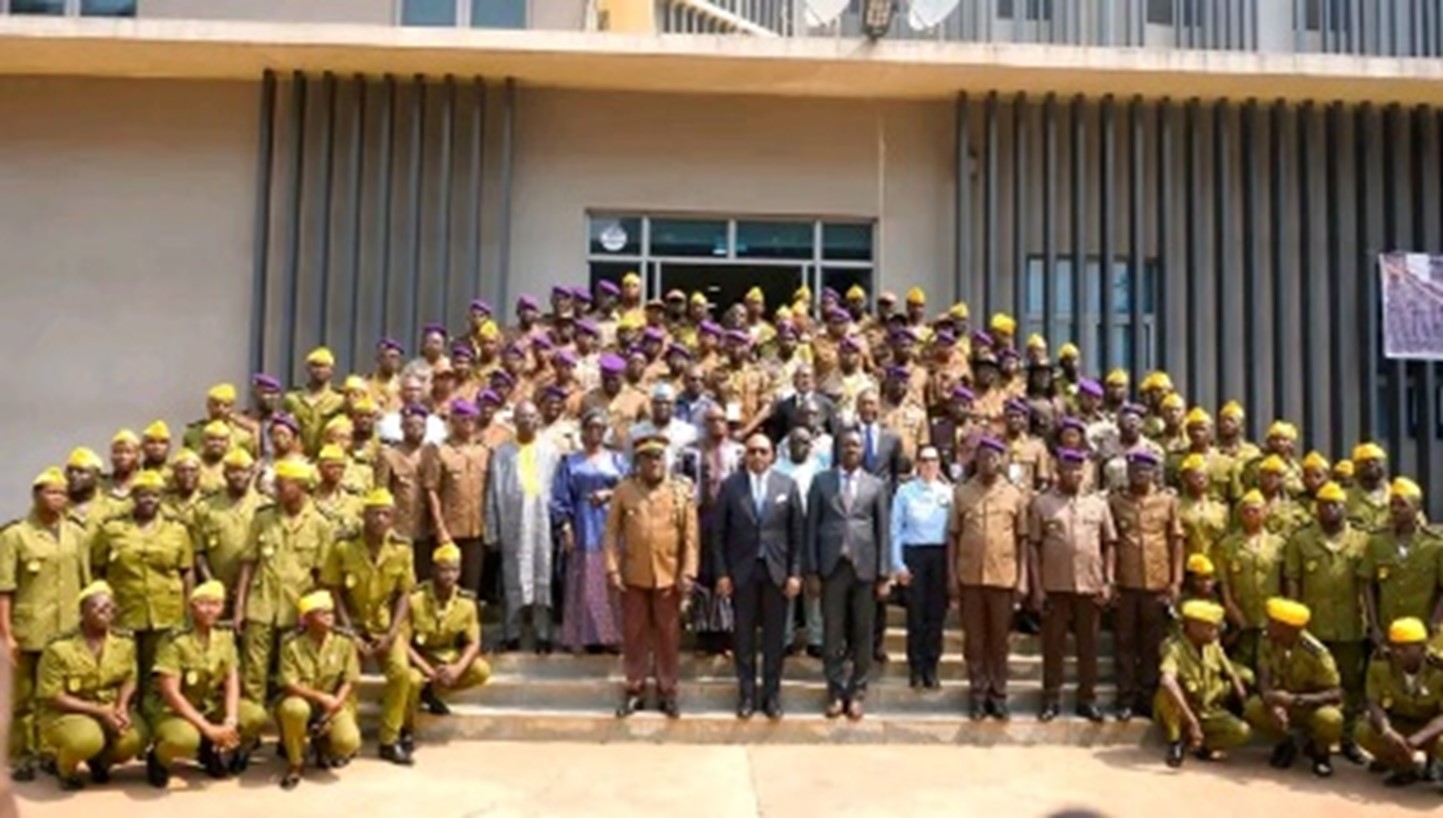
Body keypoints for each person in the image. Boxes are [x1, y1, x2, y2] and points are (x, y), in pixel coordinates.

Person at [0, 467, 90, 781]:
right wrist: (7, 634)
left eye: (62, 493)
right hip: (30, 629)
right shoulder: (15, 535)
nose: (58, 498)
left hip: (66, 630)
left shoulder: (77, 533)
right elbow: (5, 589)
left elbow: (86, 583)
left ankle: (50, 751)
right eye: (51, 492)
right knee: (23, 698)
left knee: (57, 696)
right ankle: (21, 755)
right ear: (36, 495)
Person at [605, 435, 699, 719]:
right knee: (634, 635)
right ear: (638, 462)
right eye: (648, 458)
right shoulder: (624, 491)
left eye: (658, 457)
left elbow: (691, 539)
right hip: (634, 574)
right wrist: (611, 568)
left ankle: (667, 691)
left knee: (668, 636)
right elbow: (610, 535)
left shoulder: (680, 492)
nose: (654, 463)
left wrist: (688, 572)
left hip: (668, 576)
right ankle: (634, 689)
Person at [321, 489, 416, 765]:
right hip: (351, 624)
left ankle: (389, 738)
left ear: (393, 518)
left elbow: (404, 595)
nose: (379, 519)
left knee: (401, 672)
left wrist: (392, 634)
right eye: (374, 513)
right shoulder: (343, 547)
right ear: (364, 516)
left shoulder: (402, 549)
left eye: (386, 514)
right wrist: (348, 630)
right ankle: (345, 740)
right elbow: (334, 589)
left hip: (386, 626)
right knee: (347, 676)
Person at [713, 433, 804, 721]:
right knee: (743, 638)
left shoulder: (786, 486)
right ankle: (747, 695)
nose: (757, 456)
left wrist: (795, 574)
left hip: (777, 573)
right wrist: (722, 573)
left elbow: (797, 536)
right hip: (743, 572)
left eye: (763, 451)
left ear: (773, 454)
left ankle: (772, 696)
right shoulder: (731, 487)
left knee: (775, 640)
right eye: (752, 451)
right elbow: (717, 535)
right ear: (745, 455)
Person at [803, 428, 891, 721]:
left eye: (856, 445)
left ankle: (858, 691)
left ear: (863, 450)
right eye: (846, 445)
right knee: (832, 632)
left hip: (864, 569)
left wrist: (883, 574)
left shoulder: (876, 485)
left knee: (863, 633)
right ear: (838, 449)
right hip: (832, 568)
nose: (851, 449)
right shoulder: (821, 482)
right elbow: (811, 527)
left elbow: (882, 531)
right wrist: (812, 570)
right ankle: (835, 690)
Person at [143, 581, 267, 787]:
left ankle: (211, 750)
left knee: (255, 715)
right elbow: (170, 692)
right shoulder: (175, 640)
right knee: (184, 740)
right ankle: (158, 759)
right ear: (191, 607)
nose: (210, 609)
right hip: (172, 710)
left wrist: (230, 720)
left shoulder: (224, 636)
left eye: (216, 604)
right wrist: (207, 727)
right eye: (204, 604)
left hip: (208, 704)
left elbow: (231, 679)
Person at [1283, 480, 1369, 764]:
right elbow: (1293, 580)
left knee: (1350, 683)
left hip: (1349, 625)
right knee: (1310, 683)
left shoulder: (1361, 539)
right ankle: (1311, 738)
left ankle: (1346, 738)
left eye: (1336, 505)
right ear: (1315, 509)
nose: (1330, 510)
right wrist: (1296, 623)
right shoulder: (1301, 539)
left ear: (1345, 507)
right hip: (1314, 625)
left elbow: (1368, 585)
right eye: (1324, 505)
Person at [234, 460, 332, 703]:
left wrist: (313, 613)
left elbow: (322, 577)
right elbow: (248, 563)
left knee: (293, 672)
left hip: (297, 608)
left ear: (300, 487)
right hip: (261, 604)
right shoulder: (263, 518)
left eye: (282, 485)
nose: (277, 490)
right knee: (254, 672)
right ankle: (252, 729)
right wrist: (239, 608)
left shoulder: (320, 523)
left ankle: (288, 728)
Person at [1029, 449, 1116, 723]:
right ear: (1058, 472)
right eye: (1068, 469)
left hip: (1089, 584)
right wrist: (1037, 587)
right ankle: (1051, 698)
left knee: (1088, 647)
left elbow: (1109, 544)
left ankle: (1087, 699)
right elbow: (1033, 546)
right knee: (1053, 646)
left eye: (1079, 470)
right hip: (1055, 585)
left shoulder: (1098, 504)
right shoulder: (1042, 504)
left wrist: (1108, 580)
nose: (1074, 475)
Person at [90, 469, 195, 691]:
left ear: (162, 498)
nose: (149, 500)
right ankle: (126, 712)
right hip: (124, 610)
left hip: (166, 611)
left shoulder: (177, 529)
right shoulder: (112, 529)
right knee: (123, 667)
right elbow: (97, 568)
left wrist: (188, 610)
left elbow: (186, 571)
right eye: (143, 494)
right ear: (133, 497)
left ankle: (154, 713)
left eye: (155, 495)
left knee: (159, 668)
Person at [37, 582, 148, 791]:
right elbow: (54, 696)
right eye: (96, 607)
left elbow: (129, 678)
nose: (103, 613)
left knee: (134, 738)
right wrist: (100, 712)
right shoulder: (59, 648)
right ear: (82, 612)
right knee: (87, 739)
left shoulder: (124, 643)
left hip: (109, 705)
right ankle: (64, 767)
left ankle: (100, 762)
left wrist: (122, 706)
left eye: (108, 608)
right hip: (66, 712)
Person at [949, 437, 1027, 720]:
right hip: (970, 577)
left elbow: (1022, 540)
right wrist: (952, 577)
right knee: (975, 641)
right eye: (983, 458)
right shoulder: (962, 493)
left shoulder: (1014, 495)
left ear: (1002, 460)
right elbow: (954, 538)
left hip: (1003, 577)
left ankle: (999, 694)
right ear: (976, 460)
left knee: (999, 641)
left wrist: (1023, 579)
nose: (988, 462)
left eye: (994, 458)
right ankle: (978, 693)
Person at [1107, 450, 1182, 721]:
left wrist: (1176, 581)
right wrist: (1110, 581)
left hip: (1157, 585)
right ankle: (1124, 699)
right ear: (1128, 473)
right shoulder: (1116, 502)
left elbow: (1176, 541)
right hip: (1126, 584)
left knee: (1152, 646)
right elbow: (1110, 544)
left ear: (1154, 473)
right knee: (1124, 643)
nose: (1141, 475)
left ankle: (1147, 698)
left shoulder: (1167, 502)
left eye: (1146, 471)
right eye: (1136, 470)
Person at [485, 401, 561, 653]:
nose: (527, 421)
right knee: (513, 578)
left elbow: (558, 492)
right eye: (522, 417)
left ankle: (543, 633)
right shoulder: (502, 453)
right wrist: (492, 529)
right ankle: (512, 632)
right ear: (514, 421)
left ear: (538, 419)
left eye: (531, 416)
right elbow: (492, 494)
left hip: (542, 524)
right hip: (512, 524)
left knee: (543, 577)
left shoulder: (550, 452)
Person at [550, 410, 628, 653]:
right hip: (583, 523)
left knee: (610, 577)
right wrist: (565, 526)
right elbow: (559, 497)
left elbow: (630, 489)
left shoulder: (617, 461)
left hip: (612, 523)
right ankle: (584, 636)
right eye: (590, 427)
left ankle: (611, 635)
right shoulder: (570, 462)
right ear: (582, 431)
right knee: (586, 578)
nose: (595, 432)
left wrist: (609, 494)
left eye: (600, 427)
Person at [1241, 598, 1344, 778]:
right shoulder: (1267, 640)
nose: (1268, 625)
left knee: (1331, 719)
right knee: (1253, 708)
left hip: (1309, 707)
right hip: (1282, 703)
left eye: (1273, 622)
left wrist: (1297, 700)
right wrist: (1272, 702)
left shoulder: (1317, 653)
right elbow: (1264, 676)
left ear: (1288, 628)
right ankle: (1286, 742)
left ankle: (1321, 754)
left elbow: (1336, 693)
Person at [274, 590, 361, 790]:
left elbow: (350, 680)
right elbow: (289, 683)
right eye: (322, 613)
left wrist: (333, 707)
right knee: (294, 709)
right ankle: (295, 763)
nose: (329, 617)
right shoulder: (291, 644)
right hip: (303, 700)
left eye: (330, 612)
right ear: (306, 619)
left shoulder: (344, 641)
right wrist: (320, 697)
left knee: (349, 742)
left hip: (333, 703)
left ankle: (324, 744)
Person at [1155, 600, 1251, 768]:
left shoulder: (1212, 645)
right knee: (1167, 691)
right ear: (1194, 627)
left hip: (1205, 708)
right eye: (1211, 628)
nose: (1216, 632)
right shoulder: (1174, 647)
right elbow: (1167, 680)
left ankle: (1202, 746)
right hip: (1180, 712)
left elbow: (1230, 671)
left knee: (1242, 732)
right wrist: (1192, 721)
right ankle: (1175, 741)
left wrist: (1243, 700)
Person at [404, 543, 491, 727]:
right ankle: (406, 729)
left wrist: (457, 668)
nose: (449, 575)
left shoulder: (466, 603)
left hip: (447, 658)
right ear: (433, 570)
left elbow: (473, 643)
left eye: (454, 570)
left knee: (481, 670)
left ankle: (432, 692)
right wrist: (428, 671)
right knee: (412, 680)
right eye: (444, 570)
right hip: (419, 660)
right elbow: (402, 643)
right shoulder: (414, 600)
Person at [890, 445, 953, 690]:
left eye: (934, 460)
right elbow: (895, 530)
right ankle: (915, 668)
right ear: (917, 463)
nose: (929, 465)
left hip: (939, 556)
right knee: (916, 616)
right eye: (924, 460)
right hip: (913, 554)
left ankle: (932, 667)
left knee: (936, 616)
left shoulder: (948, 493)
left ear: (939, 464)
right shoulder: (905, 492)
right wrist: (898, 565)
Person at [1356, 617, 1443, 787]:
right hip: (1399, 722)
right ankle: (1404, 768)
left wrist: (1415, 740)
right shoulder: (1381, 663)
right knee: (1363, 731)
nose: (1397, 652)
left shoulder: (1439, 669)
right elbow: (1374, 703)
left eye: (1405, 647)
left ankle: (1435, 763)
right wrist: (1388, 732)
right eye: (1394, 646)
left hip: (1430, 728)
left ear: (1423, 647)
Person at [1360, 477, 1443, 642]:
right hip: (1388, 631)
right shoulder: (1377, 542)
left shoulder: (1435, 544)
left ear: (1417, 507)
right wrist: (1374, 625)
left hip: (1423, 631)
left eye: (1402, 504)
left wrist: (1435, 623)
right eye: (1392, 504)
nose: (1396, 509)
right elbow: (1367, 585)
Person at [420, 400, 491, 594]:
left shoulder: (484, 451)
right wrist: (440, 528)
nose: (468, 422)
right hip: (449, 531)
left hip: (476, 530)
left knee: (471, 586)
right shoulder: (440, 451)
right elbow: (431, 490)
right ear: (452, 421)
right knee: (443, 584)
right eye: (462, 418)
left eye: (471, 418)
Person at [1216, 490, 1285, 677]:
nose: (1251, 515)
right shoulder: (1227, 545)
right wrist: (1231, 608)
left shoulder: (1279, 544)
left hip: (1269, 614)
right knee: (1241, 666)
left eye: (1256, 510)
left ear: (1265, 513)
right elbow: (1224, 582)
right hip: (1241, 614)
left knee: (1271, 664)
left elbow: (1285, 581)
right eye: (1246, 511)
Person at [776, 424, 826, 658]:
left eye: (805, 442)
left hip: (814, 531)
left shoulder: (819, 469)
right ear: (788, 444)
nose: (800, 446)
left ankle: (816, 638)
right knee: (787, 585)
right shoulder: (778, 469)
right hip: (784, 533)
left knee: (813, 586)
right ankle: (784, 637)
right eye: (796, 441)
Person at [192, 448, 263, 603]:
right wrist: (211, 583)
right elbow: (199, 552)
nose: (238, 476)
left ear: (252, 473)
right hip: (216, 590)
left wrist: (248, 585)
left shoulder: (264, 506)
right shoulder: (205, 507)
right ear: (224, 474)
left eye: (244, 471)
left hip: (256, 590)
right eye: (233, 471)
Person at [376, 403, 431, 548]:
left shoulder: (432, 454)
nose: (417, 430)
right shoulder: (389, 455)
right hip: (399, 528)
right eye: (411, 425)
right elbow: (381, 492)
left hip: (427, 528)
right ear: (402, 427)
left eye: (421, 426)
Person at [284, 347, 346, 457]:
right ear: (307, 368)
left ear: (331, 370)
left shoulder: (339, 400)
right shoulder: (293, 399)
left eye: (324, 366)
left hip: (328, 458)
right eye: (315, 366)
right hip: (298, 457)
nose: (319, 370)